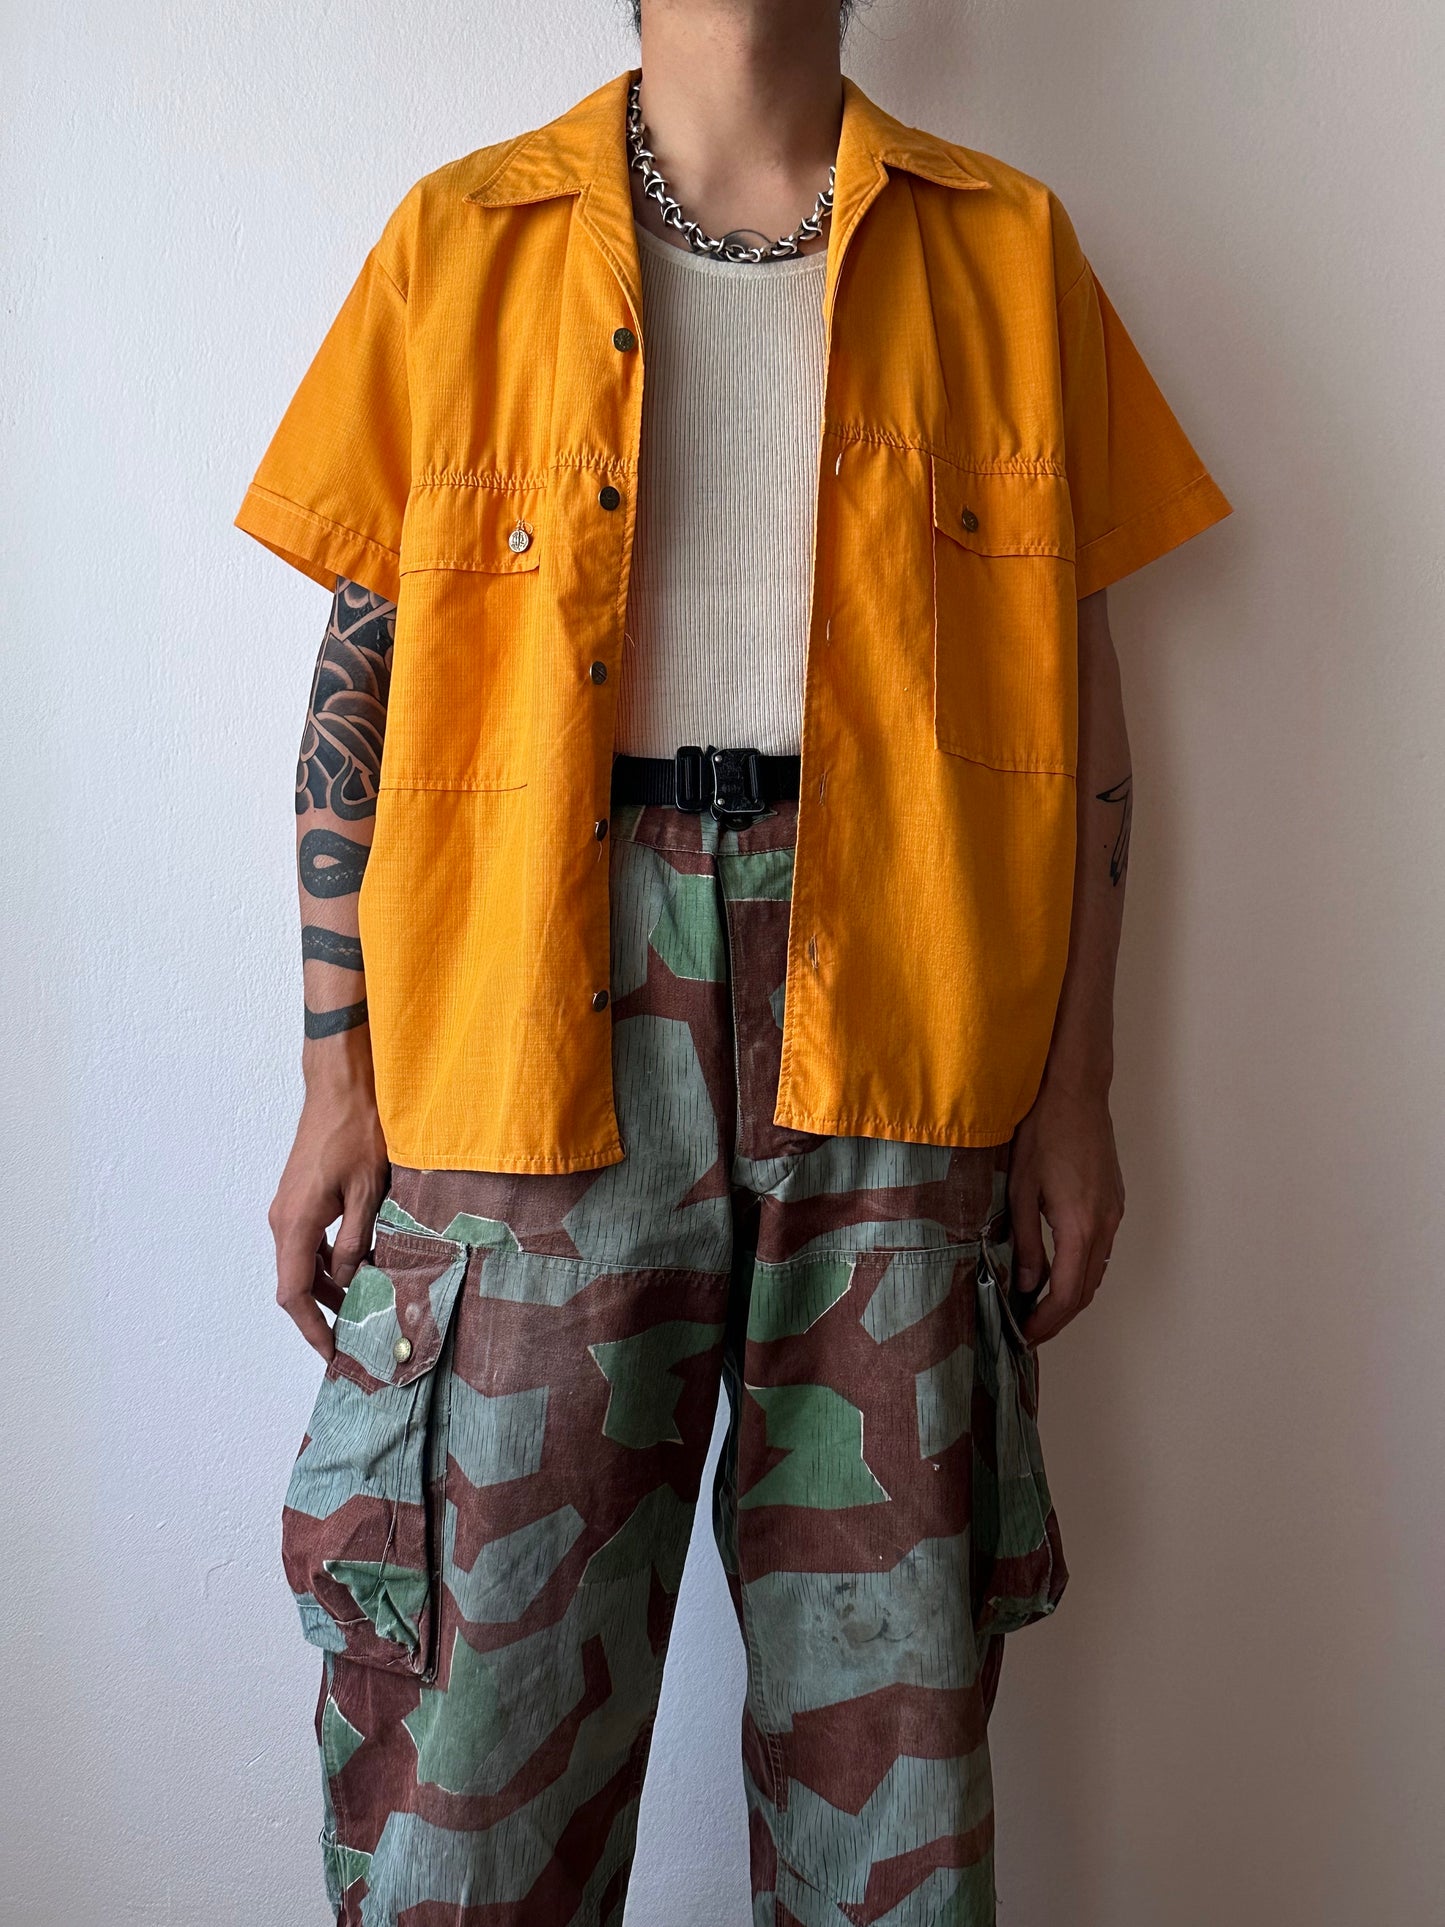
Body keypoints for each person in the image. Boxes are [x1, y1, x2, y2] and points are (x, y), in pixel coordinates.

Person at [235, 1, 1231, 1919]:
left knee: (894, 1759)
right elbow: (356, 679)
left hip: (910, 1012)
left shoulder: (1006, 251)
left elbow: (1078, 706)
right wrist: (335, 1077)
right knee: (473, 1765)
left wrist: (1078, 1089)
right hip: (523, 1018)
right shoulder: (461, 236)